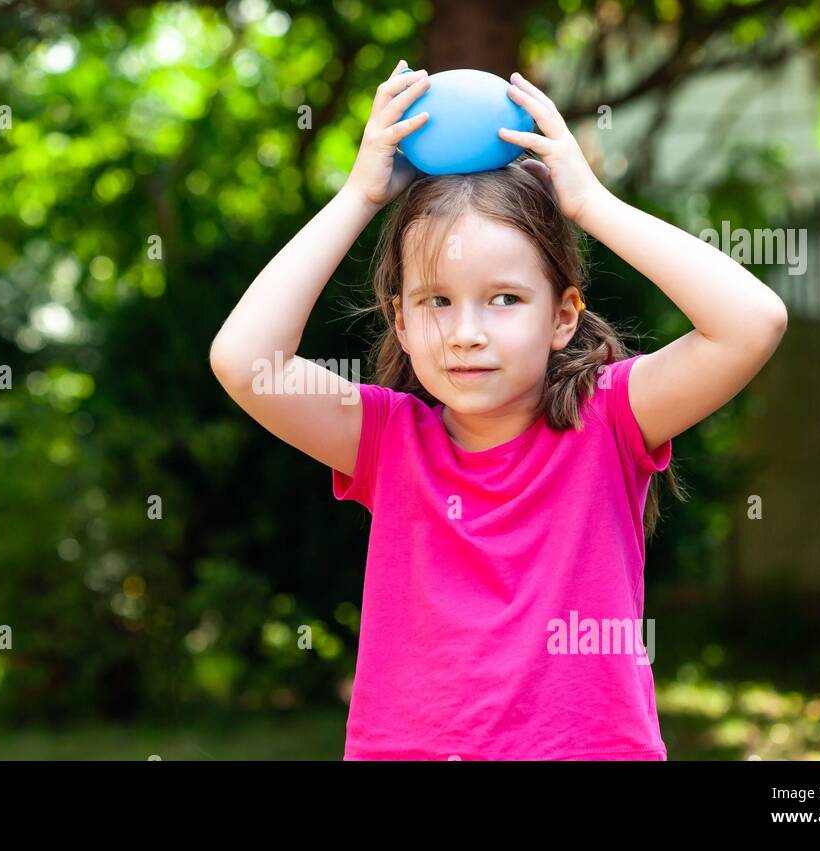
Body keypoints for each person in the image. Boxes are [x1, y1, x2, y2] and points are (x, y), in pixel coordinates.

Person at [208, 60, 788, 760]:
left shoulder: (607, 422)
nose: (467, 331)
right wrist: (357, 197)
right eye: (436, 301)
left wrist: (590, 204)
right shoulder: (389, 441)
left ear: (564, 316)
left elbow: (753, 321)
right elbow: (243, 360)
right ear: (400, 318)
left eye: (505, 298)